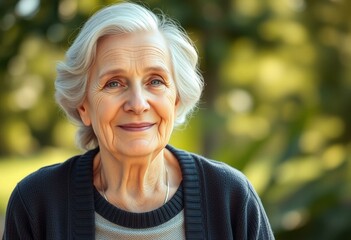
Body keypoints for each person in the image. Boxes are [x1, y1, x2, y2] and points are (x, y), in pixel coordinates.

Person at [3, 2, 274, 239]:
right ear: (83, 105)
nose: (137, 104)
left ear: (176, 99)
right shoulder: (36, 202)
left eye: (155, 81)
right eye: (113, 83)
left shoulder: (230, 197)